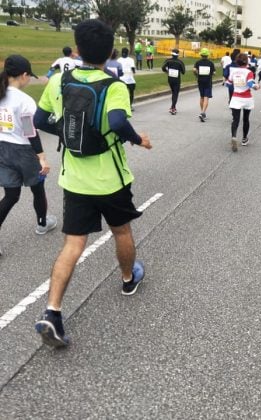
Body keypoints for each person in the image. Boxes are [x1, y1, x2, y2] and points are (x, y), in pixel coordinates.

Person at [33, 19, 152, 348]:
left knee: (73, 244)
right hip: (110, 179)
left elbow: (40, 120)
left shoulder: (58, 80)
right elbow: (117, 121)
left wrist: (67, 132)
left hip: (75, 180)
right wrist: (138, 140)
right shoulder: (114, 86)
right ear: (111, 51)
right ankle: (127, 278)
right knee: (122, 231)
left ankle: (52, 311)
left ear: (77, 49)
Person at [0, 55, 57, 256]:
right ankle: (42, 223)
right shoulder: (24, 101)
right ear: (24, 75)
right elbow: (30, 131)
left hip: (2, 149)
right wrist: (41, 157)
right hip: (23, 151)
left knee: (11, 195)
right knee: (37, 188)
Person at [226, 53, 260, 152]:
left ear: (237, 62)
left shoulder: (233, 72)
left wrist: (236, 85)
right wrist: (257, 86)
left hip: (236, 97)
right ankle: (244, 139)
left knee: (235, 120)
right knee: (246, 119)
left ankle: (234, 136)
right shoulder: (249, 72)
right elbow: (250, 84)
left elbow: (228, 83)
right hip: (247, 98)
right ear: (247, 62)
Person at [193, 48, 215, 122]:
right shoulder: (210, 63)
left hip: (200, 81)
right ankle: (203, 112)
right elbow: (214, 72)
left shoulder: (198, 62)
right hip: (208, 81)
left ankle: (202, 112)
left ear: (201, 55)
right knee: (206, 97)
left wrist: (197, 75)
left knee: (202, 97)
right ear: (207, 55)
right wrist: (211, 74)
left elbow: (194, 70)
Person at [161, 49, 185, 115]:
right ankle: (173, 108)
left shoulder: (168, 60)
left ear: (171, 54)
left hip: (170, 79)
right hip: (177, 79)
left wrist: (167, 71)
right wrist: (179, 69)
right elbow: (183, 72)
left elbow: (163, 68)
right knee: (175, 93)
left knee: (173, 92)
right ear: (178, 55)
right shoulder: (180, 62)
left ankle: (173, 106)